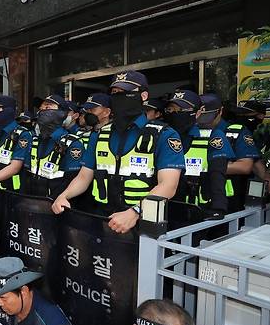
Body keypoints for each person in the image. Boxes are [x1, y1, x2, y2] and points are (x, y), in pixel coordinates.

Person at [52, 71, 185, 234]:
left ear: (143, 96)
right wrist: (64, 195)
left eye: (125, 92)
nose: (119, 97)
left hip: (143, 225)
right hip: (101, 220)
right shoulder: (100, 134)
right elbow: (84, 176)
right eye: (115, 93)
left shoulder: (163, 135)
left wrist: (134, 212)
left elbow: (168, 185)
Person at [165, 90, 234, 218]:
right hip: (167, 208)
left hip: (199, 210)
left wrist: (218, 207)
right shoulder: (162, 136)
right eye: (171, 110)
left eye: (181, 110)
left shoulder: (212, 136)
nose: (175, 114)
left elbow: (217, 174)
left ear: (197, 113)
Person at [198, 94, 260, 211]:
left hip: (226, 199)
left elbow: (245, 166)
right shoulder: (191, 131)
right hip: (194, 199)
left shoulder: (235, 131)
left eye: (209, 115)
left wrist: (201, 166)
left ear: (220, 111)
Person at [24, 94, 85, 199]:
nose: (42, 110)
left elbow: (70, 181)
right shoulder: (34, 141)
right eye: (41, 108)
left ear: (62, 114)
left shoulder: (72, 144)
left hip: (56, 207)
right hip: (32, 206)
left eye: (48, 107)